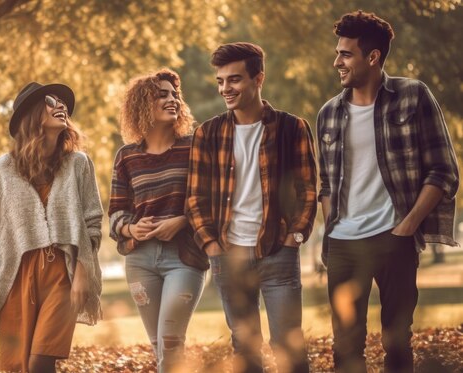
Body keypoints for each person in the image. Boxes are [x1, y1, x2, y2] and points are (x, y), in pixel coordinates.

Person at [317, 10, 459, 373]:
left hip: (394, 239)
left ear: (373, 56)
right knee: (345, 347)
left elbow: (444, 171)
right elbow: (327, 184)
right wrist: (331, 229)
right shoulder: (329, 114)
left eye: (345, 54)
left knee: (397, 342)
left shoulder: (413, 96)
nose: (337, 62)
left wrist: (406, 227)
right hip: (344, 245)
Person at [186, 42, 316, 373]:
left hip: (278, 252)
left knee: (288, 343)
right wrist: (213, 247)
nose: (225, 89)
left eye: (234, 79)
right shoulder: (208, 134)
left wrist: (295, 237)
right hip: (229, 256)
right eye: (220, 81)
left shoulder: (292, 128)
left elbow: (308, 190)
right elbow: (195, 198)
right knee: (244, 348)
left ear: (259, 79)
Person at [0, 82, 104, 373]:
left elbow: (92, 224)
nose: (61, 106)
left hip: (62, 274)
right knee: (18, 366)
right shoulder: (3, 168)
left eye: (62, 102)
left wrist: (82, 274)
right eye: (50, 100)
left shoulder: (79, 164)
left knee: (40, 362)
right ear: (30, 115)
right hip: (16, 275)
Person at [108, 68, 208, 372]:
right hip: (140, 260)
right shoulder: (127, 157)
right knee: (158, 344)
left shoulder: (194, 148)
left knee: (170, 341)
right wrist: (130, 227)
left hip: (184, 257)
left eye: (174, 94)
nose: (172, 99)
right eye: (161, 94)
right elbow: (115, 213)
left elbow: (211, 201)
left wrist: (181, 220)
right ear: (142, 104)